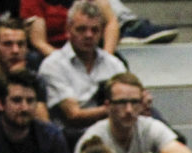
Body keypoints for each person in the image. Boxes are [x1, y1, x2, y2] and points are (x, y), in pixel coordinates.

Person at [37, 1, 127, 138]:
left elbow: (128, 100)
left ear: (102, 32)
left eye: (95, 30)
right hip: (72, 136)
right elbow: (73, 115)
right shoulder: (53, 65)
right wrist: (116, 108)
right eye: (81, 29)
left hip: (110, 133)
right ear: (68, 30)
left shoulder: (113, 64)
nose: (89, 35)